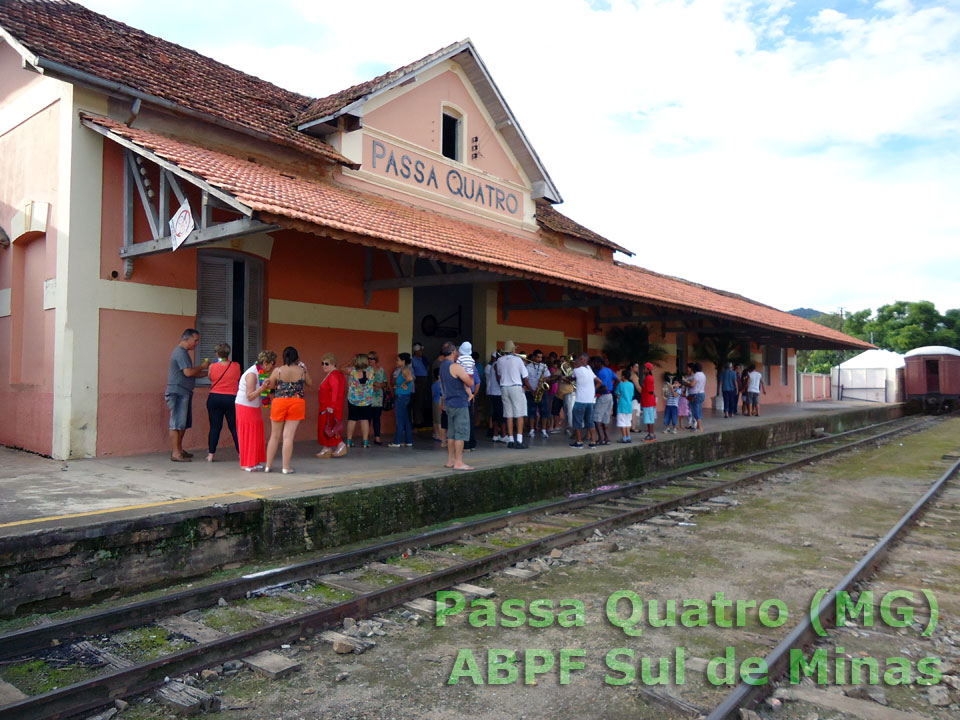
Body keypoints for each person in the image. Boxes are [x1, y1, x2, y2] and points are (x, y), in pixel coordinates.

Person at [265, 346, 312, 474]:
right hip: (296, 403)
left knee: (274, 436)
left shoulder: (278, 370)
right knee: (288, 437)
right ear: (297, 357)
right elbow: (310, 383)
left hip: (279, 402)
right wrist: (305, 370)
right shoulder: (302, 371)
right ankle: (285, 467)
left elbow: (271, 385)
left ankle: (268, 466)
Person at [165, 328, 210, 462]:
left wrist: (210, 373)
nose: (196, 344)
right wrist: (202, 367)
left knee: (182, 424)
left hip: (184, 392)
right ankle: (176, 453)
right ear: (186, 339)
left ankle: (179, 449)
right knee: (176, 423)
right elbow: (189, 373)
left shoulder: (184, 353)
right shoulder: (180, 353)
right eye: (195, 341)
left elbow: (191, 373)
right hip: (177, 392)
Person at [236, 349, 276, 471]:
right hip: (245, 406)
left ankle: (254, 461)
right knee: (248, 434)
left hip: (254, 407)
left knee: (256, 434)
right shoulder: (252, 374)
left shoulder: (261, 373)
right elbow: (249, 395)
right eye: (272, 364)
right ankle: (246, 463)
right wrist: (263, 388)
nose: (272, 367)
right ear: (265, 362)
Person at [438, 341, 475, 470]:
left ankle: (450, 460)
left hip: (448, 403)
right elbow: (469, 382)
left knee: (451, 433)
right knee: (461, 433)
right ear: (454, 352)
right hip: (460, 403)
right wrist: (471, 374)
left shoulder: (442, 366)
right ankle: (459, 462)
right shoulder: (455, 367)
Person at [205, 342, 241, 462]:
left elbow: (211, 378)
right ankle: (241, 453)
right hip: (231, 398)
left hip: (215, 397)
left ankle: (211, 454)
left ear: (217, 353)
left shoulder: (212, 366)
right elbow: (237, 378)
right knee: (234, 427)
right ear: (228, 353)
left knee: (215, 427)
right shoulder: (236, 366)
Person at [495, 340, 528, 449]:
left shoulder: (499, 360)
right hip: (515, 386)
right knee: (519, 414)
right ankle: (519, 440)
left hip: (504, 387)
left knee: (508, 414)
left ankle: (510, 440)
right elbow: (525, 375)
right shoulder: (518, 360)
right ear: (513, 350)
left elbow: (499, 374)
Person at [316, 352, 347, 459]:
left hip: (329, 407)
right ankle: (326, 448)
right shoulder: (334, 374)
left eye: (326, 363)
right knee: (326, 427)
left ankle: (340, 444)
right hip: (327, 406)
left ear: (333, 364)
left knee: (330, 427)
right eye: (322, 363)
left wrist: (331, 406)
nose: (324, 366)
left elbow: (335, 392)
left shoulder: (334, 375)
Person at [570, 354, 602, 448]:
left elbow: (571, 379)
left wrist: (564, 377)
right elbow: (600, 382)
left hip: (580, 400)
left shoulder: (576, 370)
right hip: (590, 401)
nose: (579, 361)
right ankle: (593, 442)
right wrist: (592, 391)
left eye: (580, 359)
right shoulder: (589, 369)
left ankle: (579, 442)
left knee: (577, 421)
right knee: (590, 422)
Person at [346, 353, 375, 448]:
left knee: (352, 419)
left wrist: (351, 360)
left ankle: (349, 441)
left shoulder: (352, 371)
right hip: (366, 400)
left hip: (353, 399)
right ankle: (365, 442)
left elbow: (341, 368)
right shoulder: (371, 371)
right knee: (365, 420)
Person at [389, 353, 415, 447]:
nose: (396, 362)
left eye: (398, 360)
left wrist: (404, 384)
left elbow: (410, 378)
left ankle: (397, 441)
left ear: (403, 361)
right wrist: (399, 385)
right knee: (405, 419)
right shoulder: (403, 370)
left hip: (401, 397)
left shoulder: (405, 370)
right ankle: (408, 440)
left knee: (399, 419)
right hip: (403, 396)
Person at [525, 349, 552, 439]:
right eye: (538, 357)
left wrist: (544, 379)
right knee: (531, 411)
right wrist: (532, 390)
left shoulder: (544, 366)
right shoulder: (528, 367)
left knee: (544, 411)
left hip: (542, 391)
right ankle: (532, 429)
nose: (540, 359)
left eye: (541, 357)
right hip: (531, 391)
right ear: (533, 357)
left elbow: (548, 377)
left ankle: (543, 430)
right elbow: (526, 380)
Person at [457, 341, 478, 451]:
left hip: (462, 396)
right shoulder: (472, 361)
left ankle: (465, 444)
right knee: (470, 420)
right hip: (469, 384)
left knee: (463, 421)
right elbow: (476, 381)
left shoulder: (459, 360)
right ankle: (471, 443)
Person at [590, 356, 616, 445]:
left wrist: (593, 391)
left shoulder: (601, 372)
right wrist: (613, 390)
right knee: (605, 418)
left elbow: (604, 387)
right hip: (610, 396)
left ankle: (600, 438)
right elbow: (617, 379)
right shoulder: (609, 370)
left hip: (603, 396)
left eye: (594, 363)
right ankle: (606, 438)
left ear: (598, 363)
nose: (593, 365)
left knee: (596, 418)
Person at [367, 351, 388, 445]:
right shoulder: (366, 370)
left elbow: (385, 383)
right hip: (367, 397)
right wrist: (375, 384)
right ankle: (365, 438)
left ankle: (377, 437)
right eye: (368, 358)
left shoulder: (381, 370)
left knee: (377, 418)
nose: (369, 360)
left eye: (371, 358)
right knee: (367, 419)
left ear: (375, 360)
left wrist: (380, 385)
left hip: (378, 398)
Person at [485, 351, 505, 443]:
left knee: (496, 415)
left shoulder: (494, 364)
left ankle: (496, 434)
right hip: (498, 393)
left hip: (495, 393)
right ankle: (503, 435)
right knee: (501, 415)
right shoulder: (497, 364)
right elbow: (498, 378)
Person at [411, 342, 430, 427]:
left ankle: (421, 418)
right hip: (417, 380)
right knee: (418, 400)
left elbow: (427, 367)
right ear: (416, 351)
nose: (422, 352)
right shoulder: (413, 359)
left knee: (423, 399)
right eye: (420, 350)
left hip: (424, 379)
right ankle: (417, 420)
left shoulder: (423, 359)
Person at [614, 368, 634, 443]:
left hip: (622, 406)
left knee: (622, 422)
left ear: (623, 376)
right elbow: (632, 395)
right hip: (629, 406)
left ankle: (624, 437)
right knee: (628, 422)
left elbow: (617, 394)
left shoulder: (621, 384)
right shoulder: (631, 385)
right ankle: (628, 437)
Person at [639, 361, 657, 441]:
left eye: (644, 369)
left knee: (649, 419)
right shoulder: (648, 378)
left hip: (648, 401)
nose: (643, 370)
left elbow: (650, 390)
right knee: (650, 418)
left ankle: (651, 434)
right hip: (648, 401)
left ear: (648, 370)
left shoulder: (648, 378)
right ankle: (651, 433)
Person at [431, 368, 446, 447]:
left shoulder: (434, 384)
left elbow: (433, 394)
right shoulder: (442, 384)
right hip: (440, 402)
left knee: (435, 420)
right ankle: (441, 436)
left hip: (434, 401)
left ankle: (436, 434)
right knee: (440, 420)